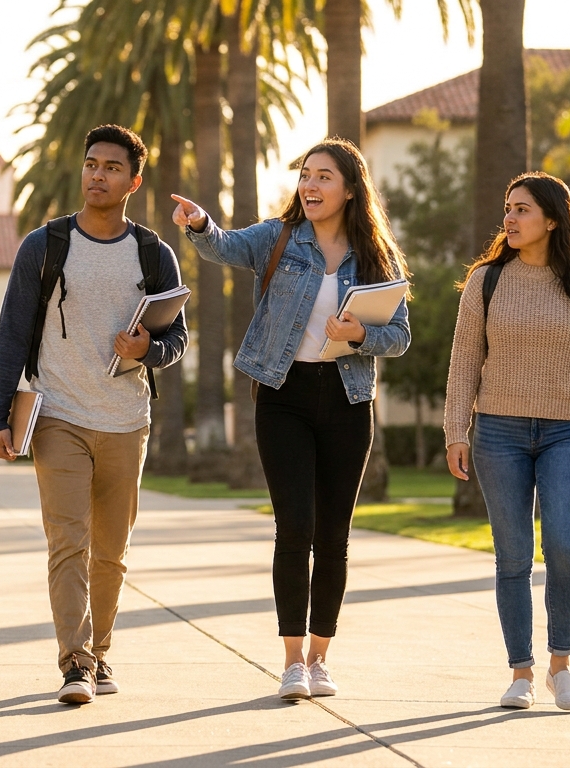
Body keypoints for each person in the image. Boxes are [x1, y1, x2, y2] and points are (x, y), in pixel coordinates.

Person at [172, 138, 410, 700]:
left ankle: (321, 657)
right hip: (283, 394)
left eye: (323, 177)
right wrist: (200, 223)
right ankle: (291, 661)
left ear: (350, 189)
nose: (310, 186)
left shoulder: (376, 257)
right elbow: (223, 247)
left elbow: (398, 337)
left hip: (350, 399)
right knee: (294, 527)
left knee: (334, 535)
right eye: (305, 175)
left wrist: (358, 336)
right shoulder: (277, 238)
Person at [0, 124, 188, 705]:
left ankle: (100, 653)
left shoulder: (154, 253)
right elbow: (12, 334)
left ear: (134, 180)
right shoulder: (44, 246)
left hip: (128, 420)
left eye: (112, 168)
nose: (98, 175)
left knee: (110, 551)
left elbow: (176, 337)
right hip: (59, 417)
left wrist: (147, 350)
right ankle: (73, 664)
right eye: (91, 164)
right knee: (67, 541)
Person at [443, 171, 570, 712]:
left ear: (552, 219)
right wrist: (457, 429)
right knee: (513, 555)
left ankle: (560, 666)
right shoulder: (486, 281)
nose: (510, 218)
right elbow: (464, 360)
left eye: (522, 209)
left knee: (564, 548)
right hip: (498, 431)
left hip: (568, 430)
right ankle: (520, 672)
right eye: (507, 207)